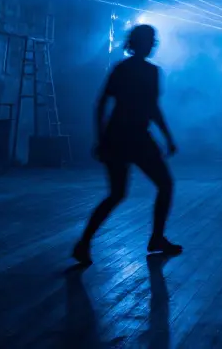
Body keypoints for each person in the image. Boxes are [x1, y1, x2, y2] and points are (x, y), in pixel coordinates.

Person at [73, 25, 181, 264]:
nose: (153, 44)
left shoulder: (122, 68)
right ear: (142, 43)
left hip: (117, 136)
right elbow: (152, 109)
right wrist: (168, 137)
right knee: (163, 185)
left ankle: (84, 242)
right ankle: (156, 238)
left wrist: (101, 138)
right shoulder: (151, 72)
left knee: (117, 193)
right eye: (151, 40)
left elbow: (101, 104)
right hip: (136, 137)